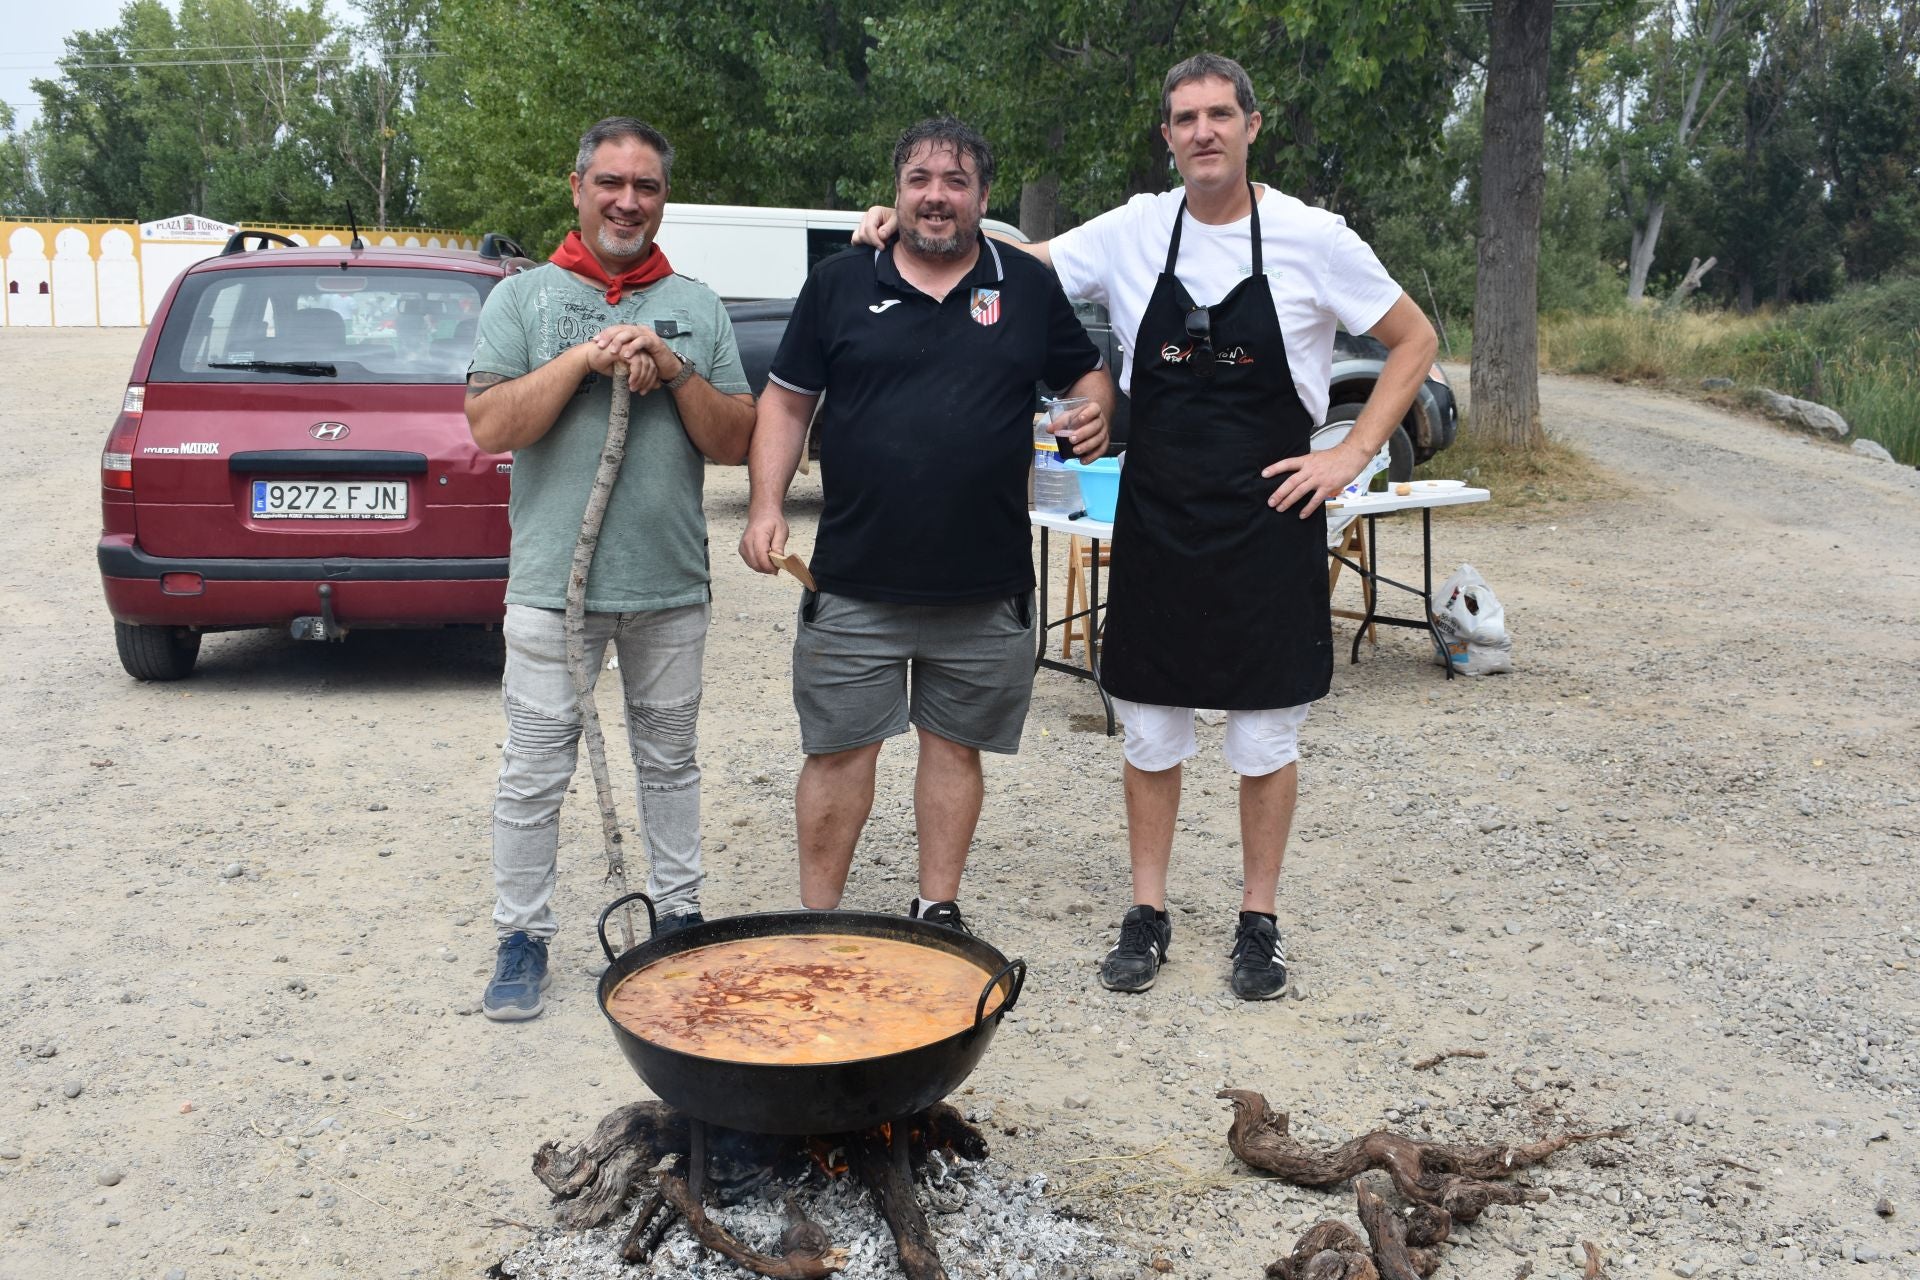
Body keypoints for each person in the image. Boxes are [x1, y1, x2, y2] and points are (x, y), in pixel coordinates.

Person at [854, 54, 1438, 998]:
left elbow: (1415, 340)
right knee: (1150, 734)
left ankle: (1259, 920)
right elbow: (1014, 261)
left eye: (1220, 115)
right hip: (1159, 518)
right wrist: (903, 225)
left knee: (1264, 741)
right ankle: (1148, 910)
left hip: (1269, 522)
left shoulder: (1313, 237)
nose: (1203, 132)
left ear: (1252, 126)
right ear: (1167, 137)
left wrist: (1352, 453)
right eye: (1185, 118)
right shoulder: (1134, 229)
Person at [740, 117, 1113, 934]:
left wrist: (1095, 411)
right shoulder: (840, 282)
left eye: (955, 181)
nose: (936, 197)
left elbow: (1085, 373)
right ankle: (818, 917)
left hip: (985, 582)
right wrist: (766, 504)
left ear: (983, 196)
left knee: (954, 746)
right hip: (853, 577)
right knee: (838, 752)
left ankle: (937, 908)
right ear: (897, 192)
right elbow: (787, 402)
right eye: (919, 180)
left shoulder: (1024, 285)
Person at [466, 117, 756, 1021]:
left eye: (647, 187)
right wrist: (581, 363)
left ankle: (679, 917)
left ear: (663, 197)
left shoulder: (699, 306)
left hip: (669, 587)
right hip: (552, 591)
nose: (628, 202)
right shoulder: (522, 300)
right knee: (534, 769)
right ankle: (521, 936)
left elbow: (737, 439)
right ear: (578, 187)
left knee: (670, 762)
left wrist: (672, 368)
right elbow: (490, 425)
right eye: (611, 184)